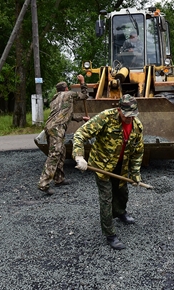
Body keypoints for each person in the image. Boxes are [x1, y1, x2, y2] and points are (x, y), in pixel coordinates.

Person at [72, 94, 144, 250]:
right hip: (102, 167)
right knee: (106, 199)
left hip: (121, 166)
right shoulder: (105, 117)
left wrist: (136, 173)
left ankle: (120, 212)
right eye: (126, 116)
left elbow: (138, 152)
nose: (129, 119)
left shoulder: (137, 126)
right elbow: (80, 134)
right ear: (119, 110)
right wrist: (79, 156)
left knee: (122, 192)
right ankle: (110, 234)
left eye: (132, 115)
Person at [37, 75, 90, 195]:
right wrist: (82, 82)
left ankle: (59, 179)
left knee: (62, 151)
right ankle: (43, 184)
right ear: (66, 89)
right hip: (57, 128)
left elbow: (68, 116)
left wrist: (82, 118)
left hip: (50, 127)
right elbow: (84, 96)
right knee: (55, 154)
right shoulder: (69, 95)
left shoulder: (55, 100)